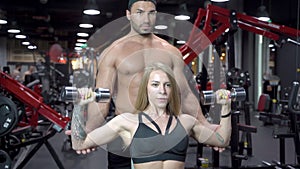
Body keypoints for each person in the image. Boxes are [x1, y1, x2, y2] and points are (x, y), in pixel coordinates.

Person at [67, 0, 224, 168]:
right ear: (128, 15)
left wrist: (205, 126)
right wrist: (90, 129)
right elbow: (102, 98)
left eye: (151, 13)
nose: (146, 19)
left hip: (162, 131)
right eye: (139, 12)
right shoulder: (113, 52)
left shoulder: (170, 52)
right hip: (125, 134)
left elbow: (184, 94)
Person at [71, 63, 232, 169]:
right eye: (155, 85)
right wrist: (79, 105)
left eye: (167, 85)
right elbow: (79, 144)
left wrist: (226, 105)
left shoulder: (186, 122)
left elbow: (222, 140)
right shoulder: (127, 122)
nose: (162, 90)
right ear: (146, 89)